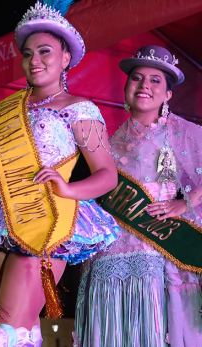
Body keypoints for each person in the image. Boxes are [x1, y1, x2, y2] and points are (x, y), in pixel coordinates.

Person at [0, 2, 120, 345]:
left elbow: (107, 175)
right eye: (28, 54)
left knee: (8, 330)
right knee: (10, 325)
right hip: (0, 215)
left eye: (45, 52)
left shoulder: (79, 109)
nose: (35, 61)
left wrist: (67, 188)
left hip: (48, 215)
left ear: (65, 58)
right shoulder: (4, 112)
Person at [74, 45, 202, 347]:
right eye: (137, 77)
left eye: (155, 80)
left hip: (158, 254)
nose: (144, 85)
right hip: (108, 258)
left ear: (168, 94)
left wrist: (186, 203)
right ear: (126, 87)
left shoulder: (184, 133)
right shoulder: (108, 139)